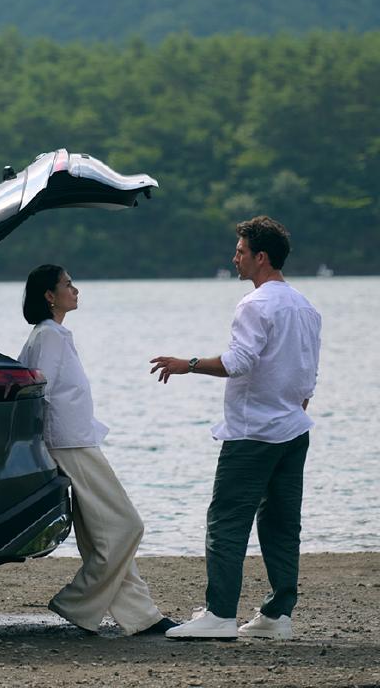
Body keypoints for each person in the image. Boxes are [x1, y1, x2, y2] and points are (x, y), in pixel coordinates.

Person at [150, 215, 321, 641]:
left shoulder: (255, 304)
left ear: (261, 257)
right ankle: (278, 615)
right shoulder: (306, 306)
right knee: (282, 523)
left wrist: (186, 364)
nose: (235, 258)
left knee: (226, 521)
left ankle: (221, 614)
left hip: (252, 433)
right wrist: (290, 408)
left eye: (242, 252)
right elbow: (307, 376)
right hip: (293, 430)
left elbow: (238, 362)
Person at [18, 264, 176, 636]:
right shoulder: (49, 336)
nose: (76, 290)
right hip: (69, 443)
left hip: (75, 439)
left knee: (101, 536)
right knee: (126, 526)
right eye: (68, 284)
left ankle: (142, 617)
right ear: (49, 295)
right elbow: (38, 390)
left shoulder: (52, 334)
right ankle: (76, 601)